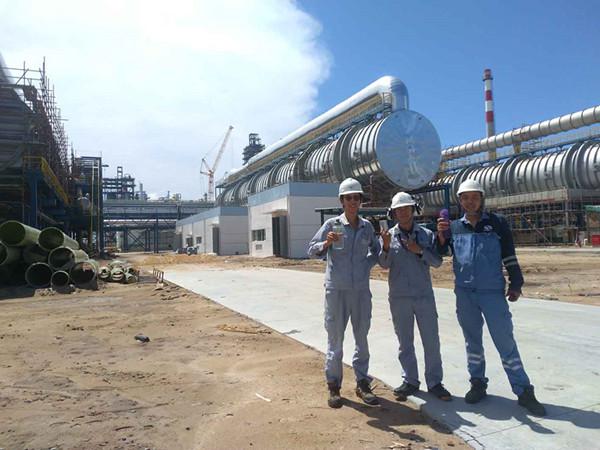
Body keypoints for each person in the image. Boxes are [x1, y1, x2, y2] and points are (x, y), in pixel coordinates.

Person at [437, 179, 546, 416]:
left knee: (505, 341)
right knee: (472, 342)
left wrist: (516, 283)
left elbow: (509, 254)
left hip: (492, 293)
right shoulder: (454, 227)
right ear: (460, 201)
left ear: (481, 199)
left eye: (474, 197)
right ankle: (477, 383)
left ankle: (523, 390)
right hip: (465, 293)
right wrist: (441, 237)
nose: (470, 202)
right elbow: (442, 253)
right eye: (465, 198)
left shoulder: (497, 223)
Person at [307, 178, 381, 408]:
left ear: (360, 201)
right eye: (348, 198)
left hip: (360, 291)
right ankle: (334, 386)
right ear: (342, 201)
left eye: (356, 198)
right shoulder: (332, 225)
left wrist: (365, 266)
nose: (352, 201)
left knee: (362, 338)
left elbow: (377, 251)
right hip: (336, 290)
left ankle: (362, 383)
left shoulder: (367, 227)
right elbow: (311, 250)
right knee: (335, 340)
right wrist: (326, 244)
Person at [379, 192, 451, 402]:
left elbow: (437, 262)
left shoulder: (426, 235)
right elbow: (383, 264)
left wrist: (419, 250)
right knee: (405, 342)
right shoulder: (388, 236)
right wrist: (385, 246)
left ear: (413, 210)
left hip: (423, 296)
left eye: (406, 208)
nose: (402, 212)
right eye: (398, 210)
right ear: (393, 213)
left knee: (431, 341)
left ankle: (435, 383)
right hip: (399, 297)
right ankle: (410, 380)